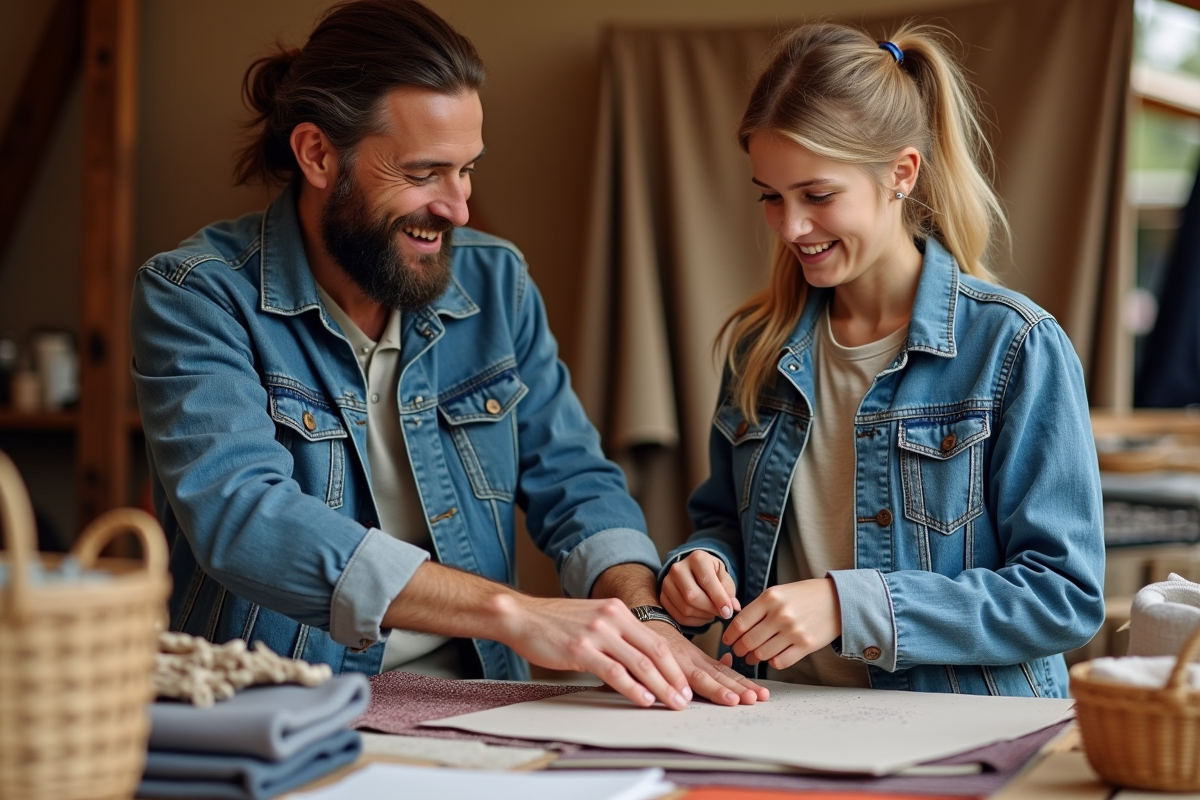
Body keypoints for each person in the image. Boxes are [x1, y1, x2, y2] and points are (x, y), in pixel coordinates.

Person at [130, 0, 767, 710]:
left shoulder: (497, 283)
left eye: (467, 170)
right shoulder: (194, 294)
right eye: (425, 172)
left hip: (479, 702)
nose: (459, 207)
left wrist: (641, 615)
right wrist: (514, 612)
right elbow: (244, 517)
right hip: (278, 707)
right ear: (316, 154)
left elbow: (577, 484)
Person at [658, 21, 1105, 697]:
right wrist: (697, 564)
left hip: (957, 737)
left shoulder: (1014, 346)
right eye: (771, 197)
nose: (791, 228)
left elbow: (1063, 595)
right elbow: (726, 520)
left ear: (901, 173)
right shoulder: (758, 347)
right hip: (776, 717)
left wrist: (850, 606)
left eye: (817, 195)